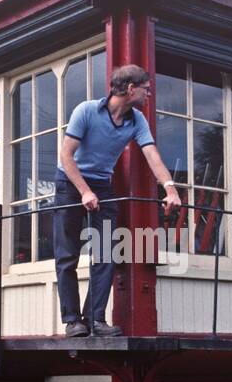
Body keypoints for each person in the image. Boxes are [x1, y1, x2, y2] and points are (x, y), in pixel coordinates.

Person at [53, 64, 182, 336]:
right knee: (67, 255)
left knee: (107, 252)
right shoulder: (86, 111)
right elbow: (65, 156)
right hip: (70, 182)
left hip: (103, 185)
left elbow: (152, 155)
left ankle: (95, 319)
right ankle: (72, 320)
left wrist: (170, 189)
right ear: (131, 88)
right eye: (146, 89)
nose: (149, 94)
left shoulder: (137, 120)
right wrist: (84, 190)